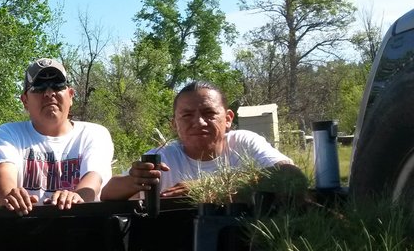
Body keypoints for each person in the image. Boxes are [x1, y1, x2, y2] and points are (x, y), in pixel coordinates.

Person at [100, 81, 301, 200]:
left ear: (228, 119)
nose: (199, 122)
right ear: (174, 124)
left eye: (209, 113)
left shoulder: (244, 143)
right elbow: (108, 193)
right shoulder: (164, 158)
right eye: (187, 115)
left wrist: (208, 186)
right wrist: (136, 180)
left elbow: (292, 176)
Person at [0, 58, 114, 216]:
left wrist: (77, 197)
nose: (49, 93)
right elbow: (4, 175)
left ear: (70, 95)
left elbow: (94, 178)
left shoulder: (95, 134)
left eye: (57, 85)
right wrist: (10, 195)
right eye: (39, 87)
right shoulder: (9, 133)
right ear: (25, 101)